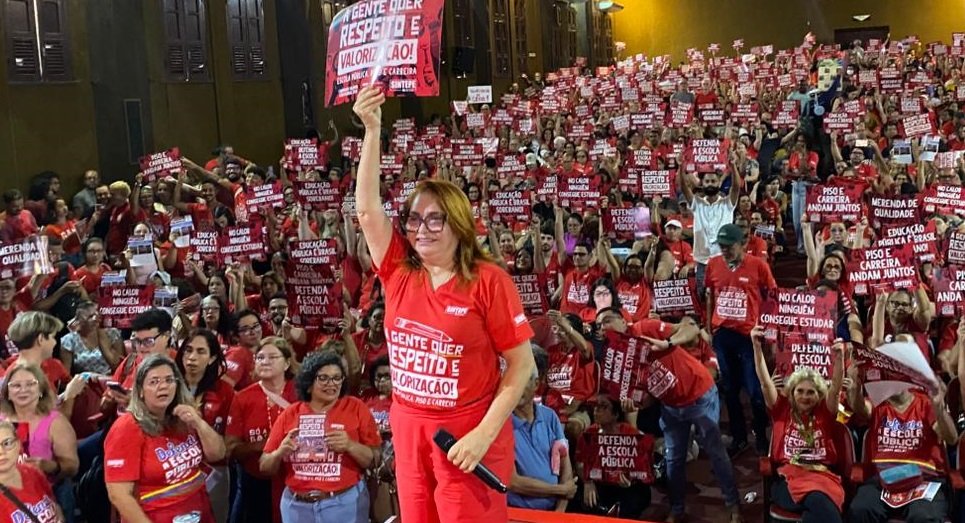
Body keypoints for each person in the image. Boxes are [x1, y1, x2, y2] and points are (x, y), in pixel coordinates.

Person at [353, 85, 536, 523]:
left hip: (467, 433)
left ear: (459, 224)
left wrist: (483, 435)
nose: (422, 229)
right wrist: (372, 131)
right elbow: (367, 211)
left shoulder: (488, 280)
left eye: (435, 219)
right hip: (409, 429)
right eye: (414, 218)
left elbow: (522, 364)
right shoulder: (398, 270)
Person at [260, 351, 381, 523]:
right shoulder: (290, 414)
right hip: (296, 507)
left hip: (344, 505)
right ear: (309, 383)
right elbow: (264, 466)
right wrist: (279, 453)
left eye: (337, 378)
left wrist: (350, 446)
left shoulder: (356, 408)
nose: (331, 384)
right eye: (323, 378)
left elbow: (374, 460)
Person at [104, 354, 226, 522]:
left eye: (169, 380)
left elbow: (218, 454)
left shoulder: (184, 416)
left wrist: (199, 423)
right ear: (140, 391)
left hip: (199, 512)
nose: (163, 386)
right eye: (154, 382)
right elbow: (119, 495)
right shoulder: (127, 427)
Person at [752, 326, 846, 523]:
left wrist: (839, 358)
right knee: (821, 504)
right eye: (800, 391)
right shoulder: (781, 409)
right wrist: (756, 347)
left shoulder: (825, 412)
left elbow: (836, 390)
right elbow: (765, 383)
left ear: (819, 395)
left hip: (823, 477)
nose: (805, 396)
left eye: (811, 392)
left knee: (817, 511)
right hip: (788, 479)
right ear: (792, 392)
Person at [705, 223, 777, 456]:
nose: (724, 250)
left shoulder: (759, 265)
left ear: (742, 244)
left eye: (729, 246)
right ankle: (739, 438)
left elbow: (772, 297)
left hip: (749, 336)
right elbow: (710, 296)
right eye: (721, 246)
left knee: (755, 390)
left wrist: (770, 333)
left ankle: (761, 435)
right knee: (730, 389)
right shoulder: (713, 264)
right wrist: (709, 328)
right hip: (723, 334)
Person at [226, 337, 298, 523]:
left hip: (295, 479)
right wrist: (265, 445)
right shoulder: (242, 398)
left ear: (287, 363)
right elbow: (231, 449)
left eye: (272, 357)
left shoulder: (301, 393)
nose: (265, 361)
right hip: (256, 483)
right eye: (260, 357)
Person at [0, 363, 80, 522]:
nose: (23, 390)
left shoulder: (56, 422)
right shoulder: (1, 420)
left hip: (50, 493)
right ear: (7, 392)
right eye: (16, 385)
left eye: (30, 384)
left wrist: (51, 467)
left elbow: (73, 467)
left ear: (41, 390)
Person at [175, 328, 234, 523]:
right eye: (188, 350)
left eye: (201, 352)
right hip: (176, 467)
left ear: (212, 358)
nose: (192, 357)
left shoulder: (224, 391)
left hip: (213, 471)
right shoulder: (170, 385)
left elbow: (227, 443)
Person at [508, 361, 576, 511]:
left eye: (522, 381)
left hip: (553, 513)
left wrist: (558, 515)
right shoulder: (502, 423)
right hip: (517, 513)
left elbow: (566, 468)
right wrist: (561, 490)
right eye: (512, 381)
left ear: (536, 384)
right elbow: (513, 482)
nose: (516, 387)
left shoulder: (550, 417)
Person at [0, 420, 66, 522]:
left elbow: (54, 505)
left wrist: (60, 517)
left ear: (18, 444)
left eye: (7, 443)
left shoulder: (32, 472)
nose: (1, 452)